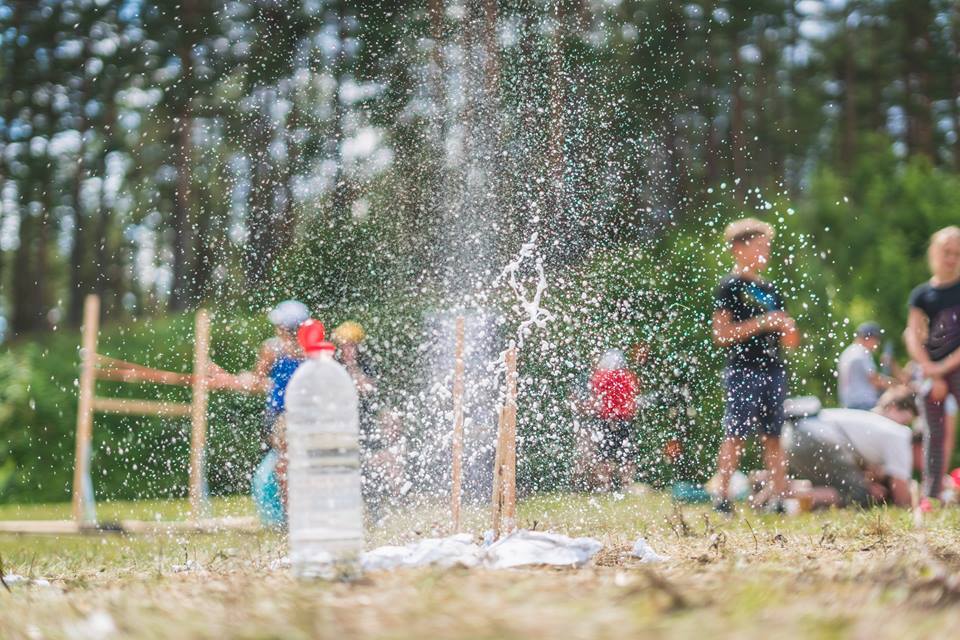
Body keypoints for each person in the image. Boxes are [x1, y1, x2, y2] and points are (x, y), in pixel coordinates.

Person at [711, 218, 800, 514]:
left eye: (768, 246)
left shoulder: (772, 289)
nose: (766, 252)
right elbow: (721, 335)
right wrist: (762, 323)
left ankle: (777, 498)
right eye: (760, 246)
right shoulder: (730, 287)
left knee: (773, 436)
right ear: (739, 248)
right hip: (743, 369)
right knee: (736, 434)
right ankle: (722, 496)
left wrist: (788, 330)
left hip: (773, 369)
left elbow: (789, 341)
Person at [209, 299, 310, 527]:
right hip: (306, 417)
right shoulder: (311, 351)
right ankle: (296, 517)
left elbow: (257, 382)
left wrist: (230, 380)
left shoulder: (273, 348)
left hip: (283, 417)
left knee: (284, 465)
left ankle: (290, 519)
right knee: (292, 463)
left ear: (283, 327)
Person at [786, 387, 918, 508]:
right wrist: (913, 505)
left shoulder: (868, 421)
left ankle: (780, 490)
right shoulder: (898, 433)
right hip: (817, 438)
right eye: (905, 421)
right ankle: (783, 500)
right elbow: (900, 490)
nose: (905, 425)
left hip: (793, 437)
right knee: (858, 494)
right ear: (893, 407)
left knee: (829, 486)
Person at [905, 226, 960, 500]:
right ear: (934, 253)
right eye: (946, 252)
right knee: (933, 433)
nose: (951, 259)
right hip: (931, 370)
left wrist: (943, 369)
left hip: (955, 366)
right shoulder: (921, 295)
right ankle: (932, 493)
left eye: (956, 254)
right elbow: (912, 336)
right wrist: (931, 371)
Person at [587, 348, 640, 491]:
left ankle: (606, 484)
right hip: (624, 419)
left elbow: (594, 396)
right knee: (627, 454)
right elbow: (633, 397)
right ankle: (626, 484)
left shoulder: (600, 376)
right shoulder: (628, 376)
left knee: (604, 454)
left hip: (605, 419)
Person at [837, 322, 894, 410]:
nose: (877, 344)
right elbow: (874, 379)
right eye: (876, 340)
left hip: (848, 404)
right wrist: (895, 386)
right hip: (864, 404)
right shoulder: (862, 351)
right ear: (869, 338)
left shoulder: (847, 352)